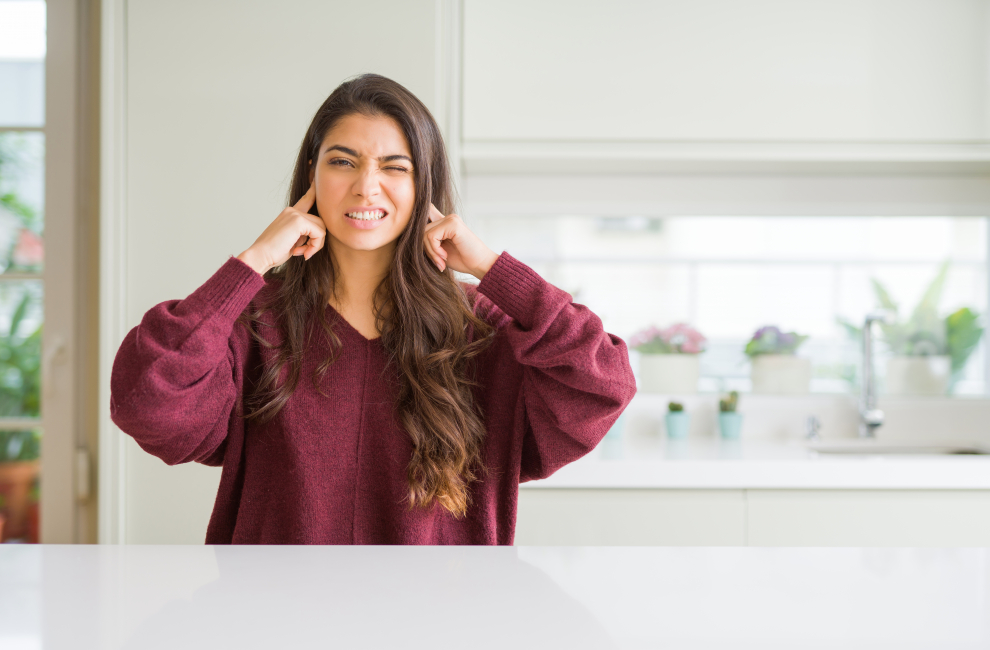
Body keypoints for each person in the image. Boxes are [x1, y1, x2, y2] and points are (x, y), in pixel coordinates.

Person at [110, 73, 637, 545]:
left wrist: (492, 269)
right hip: (271, 612)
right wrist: (254, 261)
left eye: (394, 167)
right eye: (343, 162)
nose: (366, 187)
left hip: (444, 614)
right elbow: (145, 400)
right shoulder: (253, 325)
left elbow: (603, 384)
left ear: (423, 185)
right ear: (312, 174)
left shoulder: (481, 328)